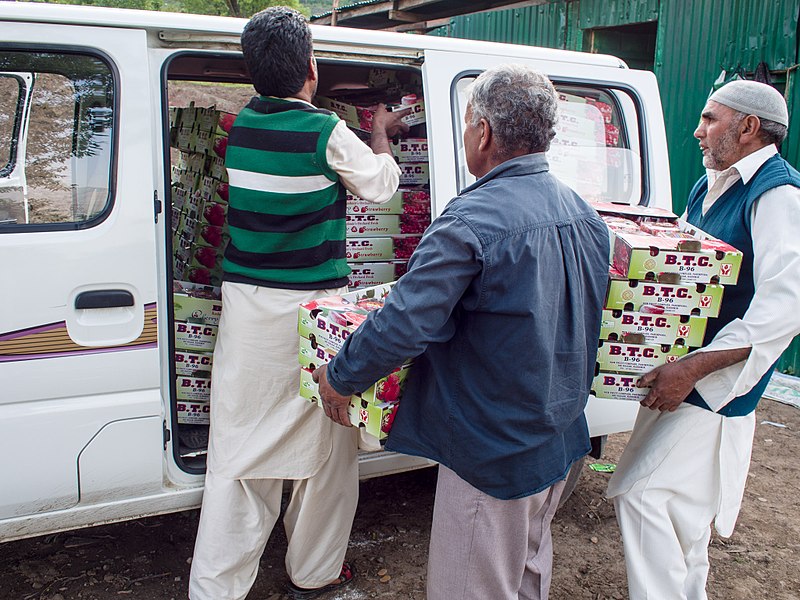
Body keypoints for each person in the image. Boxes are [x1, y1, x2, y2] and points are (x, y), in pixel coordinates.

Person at [314, 64, 611, 600]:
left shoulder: (471, 221)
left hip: (492, 453)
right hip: (558, 437)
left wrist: (339, 376)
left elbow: (404, 323)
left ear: (484, 132)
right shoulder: (583, 214)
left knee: (473, 586)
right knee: (525, 574)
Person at [187, 7, 409, 600]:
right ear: (312, 67)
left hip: (248, 314)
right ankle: (315, 571)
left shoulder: (238, 130)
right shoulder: (325, 133)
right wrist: (381, 130)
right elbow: (381, 184)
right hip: (314, 314)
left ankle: (216, 588)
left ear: (251, 72)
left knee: (239, 455)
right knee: (329, 446)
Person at [607, 79, 800, 600]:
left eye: (710, 118)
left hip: (716, 382)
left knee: (642, 496)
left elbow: (787, 305)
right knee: (684, 515)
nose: (697, 130)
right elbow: (690, 272)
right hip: (685, 366)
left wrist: (693, 368)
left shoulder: (778, 194)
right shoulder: (711, 184)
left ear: (749, 127)